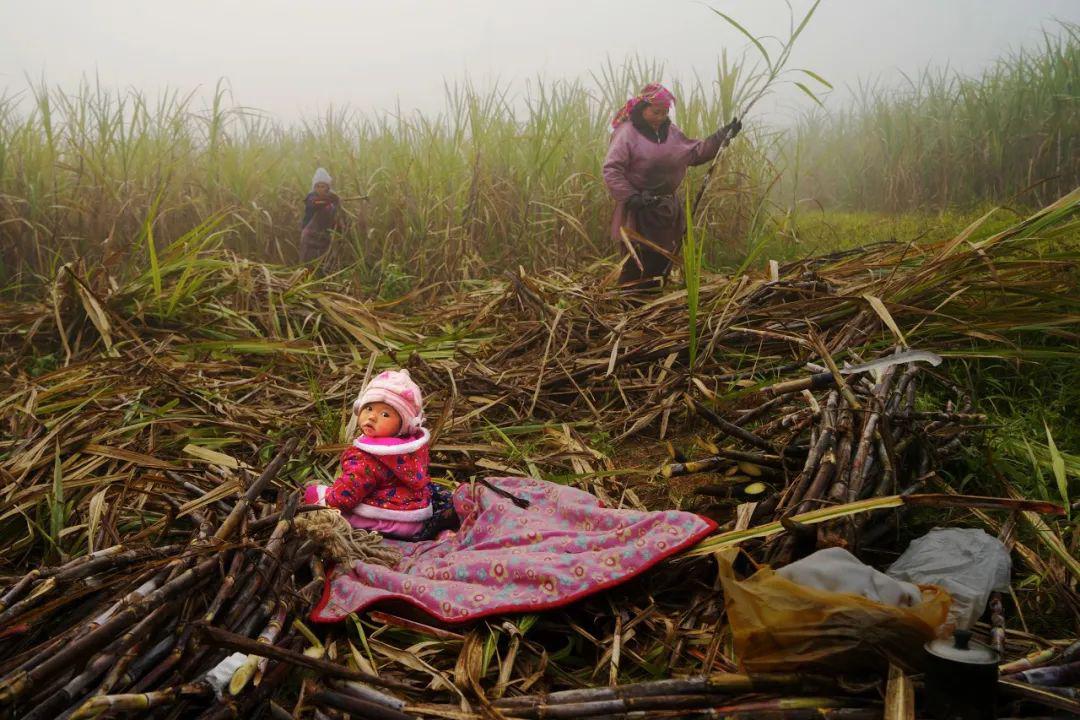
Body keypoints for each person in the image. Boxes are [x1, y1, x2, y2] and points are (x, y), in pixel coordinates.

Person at [602, 83, 741, 289]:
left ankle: (651, 302)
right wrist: (632, 197)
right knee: (637, 263)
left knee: (662, 260)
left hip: (666, 209)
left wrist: (722, 135)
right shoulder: (627, 133)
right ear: (642, 109)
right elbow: (612, 169)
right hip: (639, 210)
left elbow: (696, 153)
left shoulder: (672, 132)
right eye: (655, 112)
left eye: (665, 112)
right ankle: (630, 307)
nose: (661, 117)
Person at [304, 369, 433, 540]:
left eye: (385, 414)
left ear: (404, 424)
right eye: (369, 408)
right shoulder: (410, 448)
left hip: (388, 518)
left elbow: (347, 495)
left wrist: (326, 499)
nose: (372, 417)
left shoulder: (369, 456)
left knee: (315, 495)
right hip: (415, 516)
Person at [299, 167, 341, 265]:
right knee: (307, 262)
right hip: (309, 237)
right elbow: (315, 203)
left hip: (325, 236)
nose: (320, 189)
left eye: (323, 186)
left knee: (323, 262)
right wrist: (329, 199)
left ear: (327, 187)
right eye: (318, 186)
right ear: (314, 187)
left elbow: (337, 215)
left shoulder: (333, 199)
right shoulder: (311, 197)